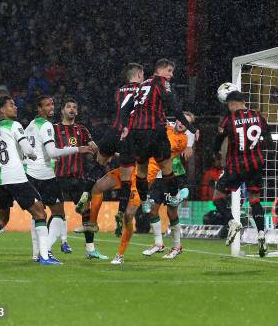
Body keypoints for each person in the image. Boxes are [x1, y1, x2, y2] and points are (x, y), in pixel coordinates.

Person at [0, 95, 60, 266]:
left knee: (2, 219)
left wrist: (1, 165)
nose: (15, 107)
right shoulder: (16, 126)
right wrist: (30, 155)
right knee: (40, 212)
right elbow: (29, 150)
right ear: (2, 110)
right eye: (11, 105)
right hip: (16, 177)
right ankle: (45, 258)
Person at [110, 113, 195, 264]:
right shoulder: (167, 129)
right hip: (156, 178)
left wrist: (191, 139)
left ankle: (177, 246)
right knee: (152, 211)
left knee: (171, 212)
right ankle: (158, 243)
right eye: (180, 120)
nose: (182, 124)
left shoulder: (181, 140)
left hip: (171, 177)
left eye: (186, 123)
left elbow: (161, 146)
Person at [124, 58, 196, 233]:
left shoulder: (142, 84)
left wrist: (126, 126)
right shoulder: (161, 82)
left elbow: (127, 107)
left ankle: (144, 201)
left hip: (137, 132)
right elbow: (174, 107)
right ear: (161, 70)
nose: (171, 75)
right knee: (167, 167)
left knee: (141, 170)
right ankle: (173, 196)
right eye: (169, 71)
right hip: (154, 131)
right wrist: (191, 128)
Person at [25, 95, 92, 261]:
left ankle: (37, 253)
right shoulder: (48, 125)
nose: (51, 107)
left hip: (30, 175)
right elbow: (53, 153)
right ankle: (45, 251)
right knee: (58, 214)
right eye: (47, 105)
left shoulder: (30, 126)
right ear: (39, 109)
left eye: (52, 104)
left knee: (38, 214)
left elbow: (24, 150)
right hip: (46, 175)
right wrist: (78, 149)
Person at [79, 63, 144, 234]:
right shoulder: (143, 90)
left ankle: (85, 192)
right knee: (126, 178)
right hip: (126, 134)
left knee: (100, 162)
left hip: (112, 132)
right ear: (138, 75)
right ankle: (121, 212)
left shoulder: (119, 91)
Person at [212, 91, 272, 257]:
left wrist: (215, 154)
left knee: (217, 197)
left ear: (231, 104)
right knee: (255, 200)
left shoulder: (229, 119)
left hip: (236, 165)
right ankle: (261, 234)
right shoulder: (259, 116)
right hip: (256, 165)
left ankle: (232, 223)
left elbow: (218, 139)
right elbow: (269, 140)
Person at [53, 98, 107, 259]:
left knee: (87, 211)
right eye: (68, 106)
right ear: (62, 110)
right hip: (57, 177)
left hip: (77, 177)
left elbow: (94, 147)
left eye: (74, 107)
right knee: (56, 213)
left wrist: (104, 150)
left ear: (77, 112)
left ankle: (90, 250)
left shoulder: (81, 130)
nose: (71, 109)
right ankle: (45, 249)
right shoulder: (54, 129)